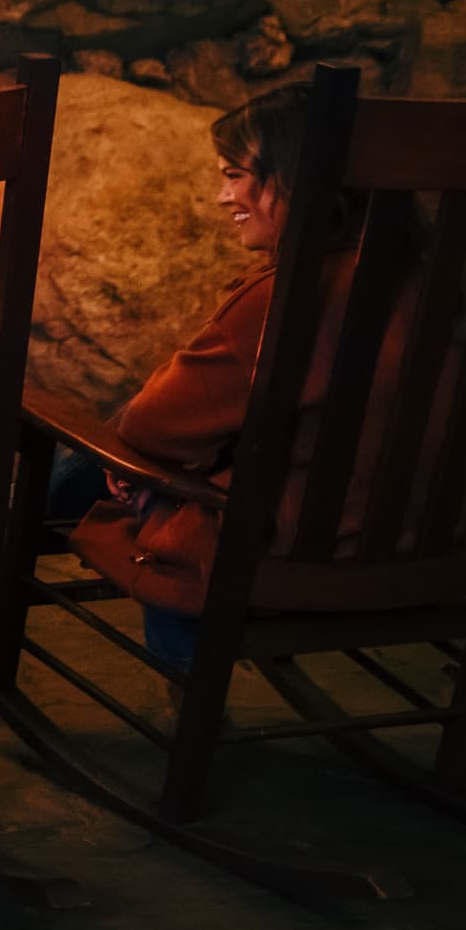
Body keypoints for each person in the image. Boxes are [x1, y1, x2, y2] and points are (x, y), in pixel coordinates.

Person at [54, 81, 401, 675]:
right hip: (404, 539)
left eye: (236, 176)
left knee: (89, 453)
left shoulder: (284, 299)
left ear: (294, 177)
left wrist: (140, 446)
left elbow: (150, 428)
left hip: (282, 551)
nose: (223, 197)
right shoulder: (433, 285)